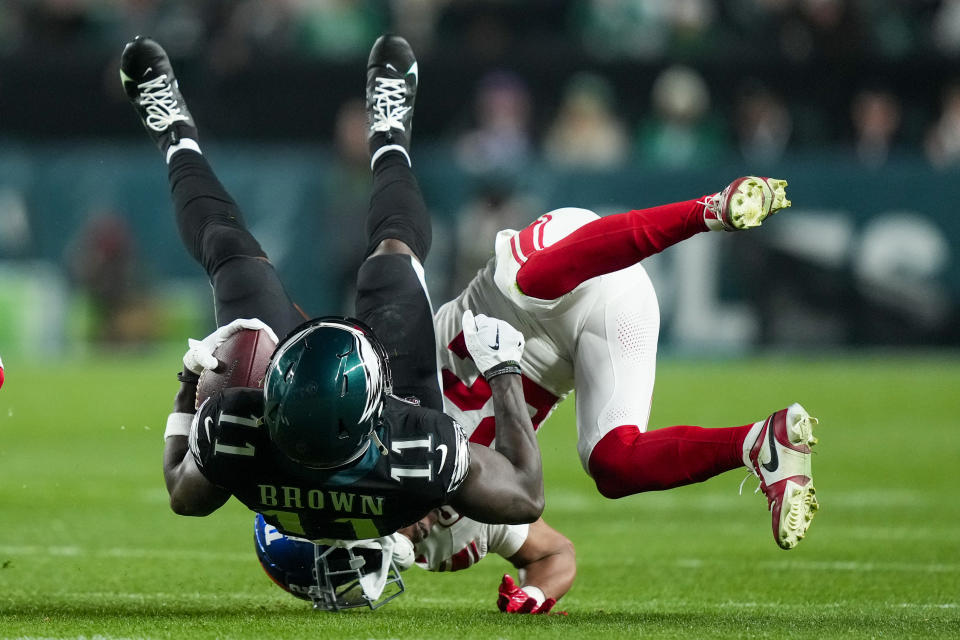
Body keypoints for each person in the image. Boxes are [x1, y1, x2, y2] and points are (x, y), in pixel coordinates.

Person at [121, 34, 545, 545]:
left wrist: (191, 387)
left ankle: (174, 134)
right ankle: (390, 137)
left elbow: (181, 492)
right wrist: (502, 372)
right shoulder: (415, 446)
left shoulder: (240, 430)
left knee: (229, 251)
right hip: (388, 471)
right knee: (392, 257)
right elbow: (525, 494)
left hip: (307, 464)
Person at [434, 175, 819, 553]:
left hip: (543, 270)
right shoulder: (455, 536)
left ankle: (708, 210)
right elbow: (551, 554)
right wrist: (536, 589)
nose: (420, 528)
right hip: (592, 327)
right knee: (612, 463)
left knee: (526, 284)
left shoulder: (383, 420)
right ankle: (759, 442)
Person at [254, 508, 575, 613]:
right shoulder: (455, 539)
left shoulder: (387, 439)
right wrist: (532, 595)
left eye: (357, 555)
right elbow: (555, 553)